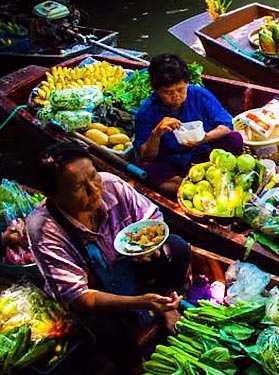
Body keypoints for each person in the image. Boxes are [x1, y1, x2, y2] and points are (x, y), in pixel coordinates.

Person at [26, 142, 191, 372]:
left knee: (177, 247)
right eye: (79, 188)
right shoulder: (44, 229)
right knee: (106, 327)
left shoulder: (112, 185)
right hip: (96, 294)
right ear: (54, 196)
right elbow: (81, 297)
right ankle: (134, 365)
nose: (95, 189)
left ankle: (167, 306)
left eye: (94, 176)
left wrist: (151, 248)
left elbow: (152, 218)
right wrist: (140, 302)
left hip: (130, 268)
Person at [134, 54, 243, 196]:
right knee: (147, 170)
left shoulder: (199, 95)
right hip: (174, 163)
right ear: (156, 90)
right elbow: (145, 156)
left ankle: (203, 183)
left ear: (187, 83)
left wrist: (206, 138)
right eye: (168, 92)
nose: (176, 96)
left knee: (234, 139)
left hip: (207, 155)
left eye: (180, 89)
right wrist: (156, 134)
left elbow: (226, 125)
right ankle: (198, 188)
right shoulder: (146, 111)